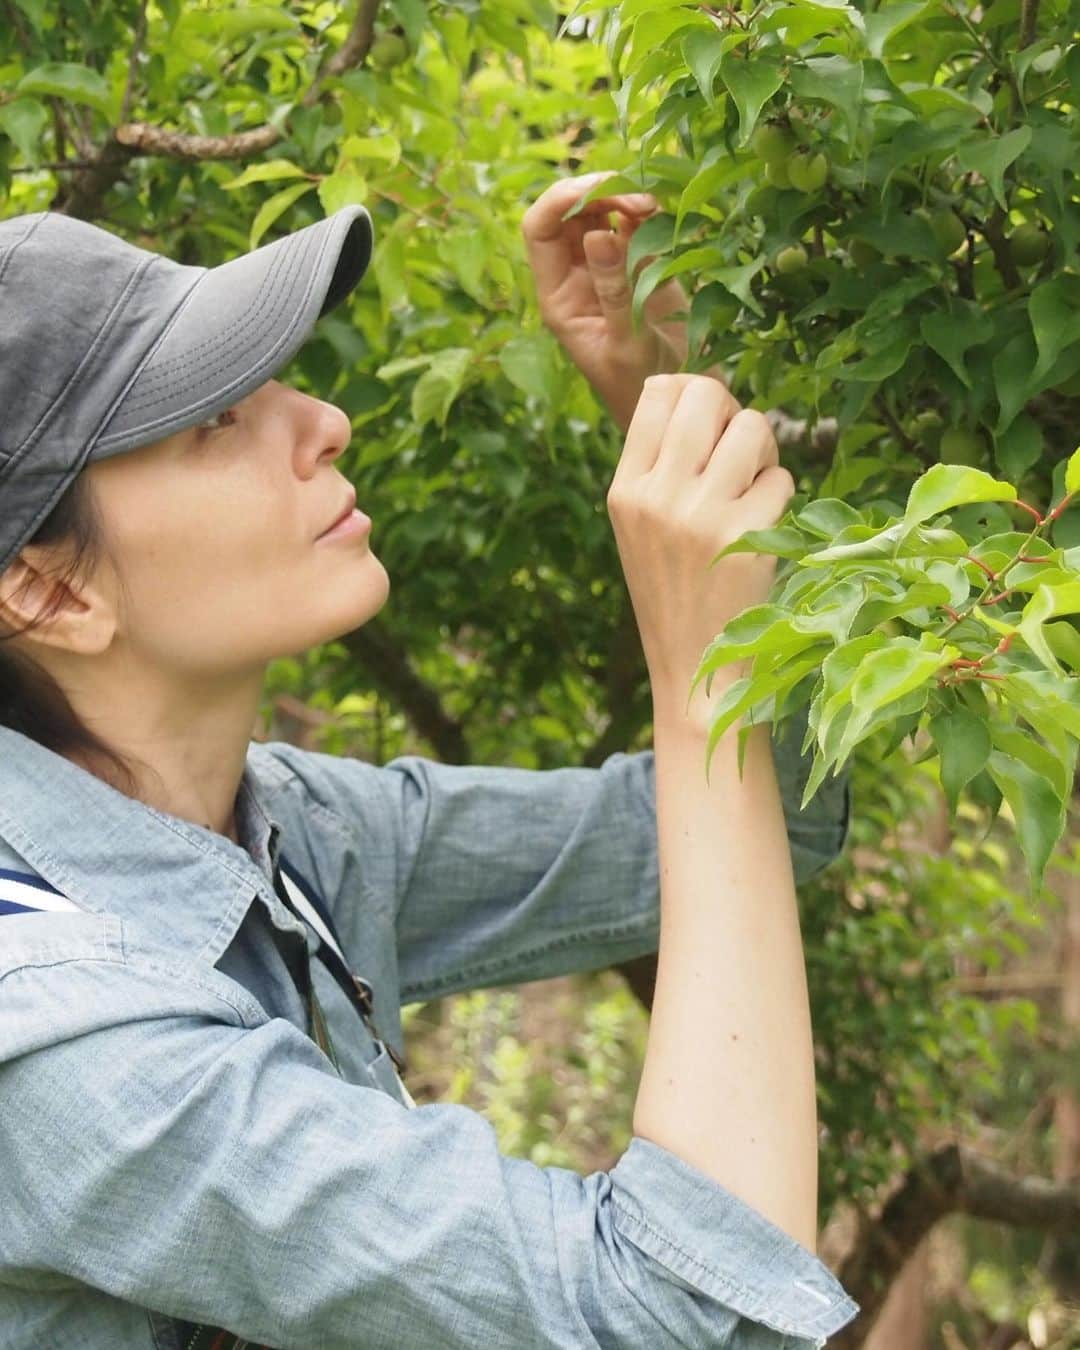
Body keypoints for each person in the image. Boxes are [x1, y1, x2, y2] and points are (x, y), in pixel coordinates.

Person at [0, 176, 857, 1349]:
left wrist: (676, 419)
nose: (322, 421)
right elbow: (693, 1309)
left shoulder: (278, 823)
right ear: (51, 588)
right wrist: (704, 686)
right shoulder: (64, 1045)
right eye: (214, 420)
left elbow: (780, 812)